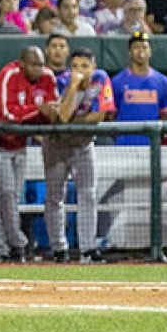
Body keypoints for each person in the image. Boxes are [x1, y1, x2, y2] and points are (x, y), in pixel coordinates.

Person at [0, 47, 60, 263]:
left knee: (10, 197)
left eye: (40, 64)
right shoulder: (8, 75)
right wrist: (39, 111)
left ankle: (1, 249)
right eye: (33, 64)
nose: (38, 69)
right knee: (7, 194)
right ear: (21, 63)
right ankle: (18, 244)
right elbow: (8, 114)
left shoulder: (48, 77)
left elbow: (53, 109)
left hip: (20, 144)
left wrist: (46, 113)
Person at [46, 48, 115, 263]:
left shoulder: (101, 78)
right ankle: (59, 249)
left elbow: (99, 115)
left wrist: (73, 123)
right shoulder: (61, 81)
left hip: (84, 144)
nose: (80, 71)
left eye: (85, 66)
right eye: (75, 66)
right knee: (55, 197)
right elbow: (63, 116)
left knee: (88, 195)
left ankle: (87, 249)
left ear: (93, 67)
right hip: (57, 145)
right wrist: (73, 87)